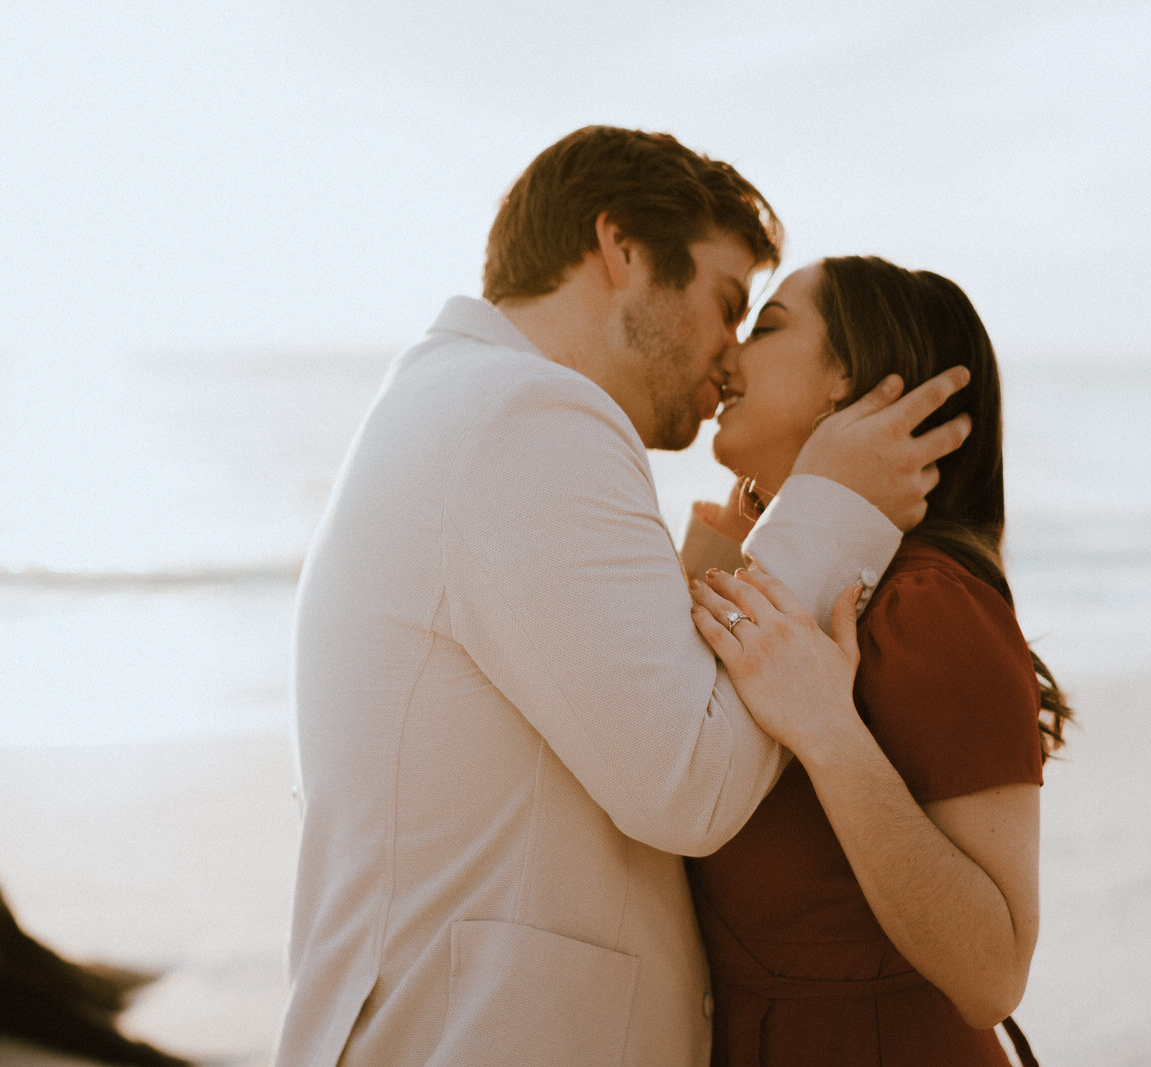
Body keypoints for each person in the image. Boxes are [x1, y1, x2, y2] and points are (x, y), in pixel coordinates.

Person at [274, 130, 972, 1067]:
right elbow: (692, 786)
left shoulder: (457, 400)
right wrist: (833, 509)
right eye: (728, 306)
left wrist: (719, 569)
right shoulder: (528, 416)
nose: (731, 361)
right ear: (623, 251)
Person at [685, 256, 1074, 1066]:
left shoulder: (924, 605)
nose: (729, 353)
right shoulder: (792, 580)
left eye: (768, 326)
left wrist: (829, 731)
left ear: (857, 381)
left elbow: (995, 973)